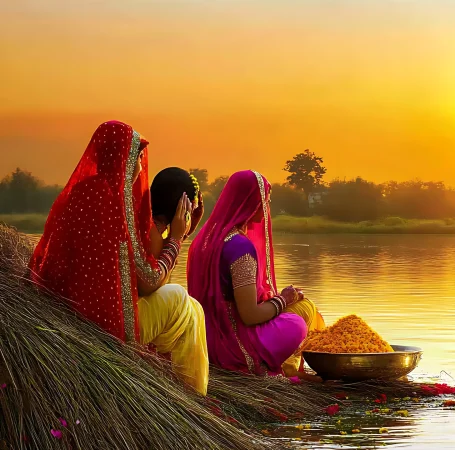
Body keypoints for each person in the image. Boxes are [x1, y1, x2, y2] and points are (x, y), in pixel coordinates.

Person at [28, 121, 209, 395]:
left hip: (73, 316)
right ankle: (193, 395)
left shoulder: (81, 193)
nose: (139, 164)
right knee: (182, 301)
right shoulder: (115, 202)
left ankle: (183, 390)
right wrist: (176, 239)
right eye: (136, 156)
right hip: (110, 326)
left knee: (191, 307)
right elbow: (149, 282)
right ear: (122, 158)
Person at [187, 170, 325, 377]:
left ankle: (289, 363)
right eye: (266, 201)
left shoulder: (204, 240)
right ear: (252, 203)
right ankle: (284, 367)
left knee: (305, 306)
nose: (267, 208)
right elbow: (250, 315)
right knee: (297, 323)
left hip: (205, 338)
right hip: (234, 346)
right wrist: (283, 299)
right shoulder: (240, 247)